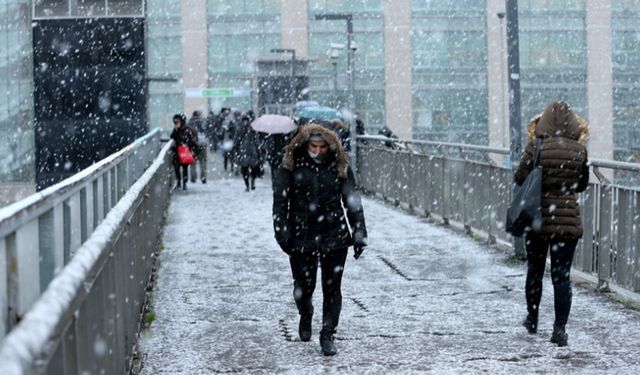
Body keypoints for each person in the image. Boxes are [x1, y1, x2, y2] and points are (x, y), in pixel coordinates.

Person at [272, 124, 368, 356]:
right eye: (313, 146)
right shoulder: (291, 164)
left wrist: (359, 232)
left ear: (329, 146)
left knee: (332, 287)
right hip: (301, 233)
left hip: (333, 231)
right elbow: (280, 202)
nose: (317, 151)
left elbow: (351, 199)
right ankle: (306, 313)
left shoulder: (339, 164)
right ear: (305, 145)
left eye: (322, 147)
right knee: (303, 287)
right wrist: (282, 231)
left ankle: (328, 333)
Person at [514, 101, 589, 347]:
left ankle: (533, 319)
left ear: (543, 121)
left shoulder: (536, 146)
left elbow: (519, 177)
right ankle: (559, 329)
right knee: (561, 277)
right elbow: (581, 185)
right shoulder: (579, 150)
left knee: (535, 271)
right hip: (567, 222)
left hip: (537, 219)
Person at [232, 112, 262, 191]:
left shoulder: (252, 130)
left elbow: (256, 141)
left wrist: (259, 151)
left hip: (252, 153)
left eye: (246, 120)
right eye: (244, 120)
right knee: (244, 170)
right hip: (244, 152)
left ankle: (252, 182)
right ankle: (247, 185)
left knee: (253, 169)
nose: (245, 122)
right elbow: (236, 141)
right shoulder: (240, 130)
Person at [170, 113, 197, 190]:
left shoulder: (187, 129)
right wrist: (176, 130)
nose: (177, 122)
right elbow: (172, 137)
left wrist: (188, 147)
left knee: (184, 168)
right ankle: (179, 182)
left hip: (184, 151)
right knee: (176, 167)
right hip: (177, 151)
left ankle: (184, 183)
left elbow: (190, 139)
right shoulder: (176, 129)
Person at [188, 110, 208, 183]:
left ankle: (193, 177)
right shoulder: (203, 122)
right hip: (202, 144)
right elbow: (207, 132)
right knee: (203, 162)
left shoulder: (190, 123)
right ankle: (203, 177)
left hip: (193, 144)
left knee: (192, 162)